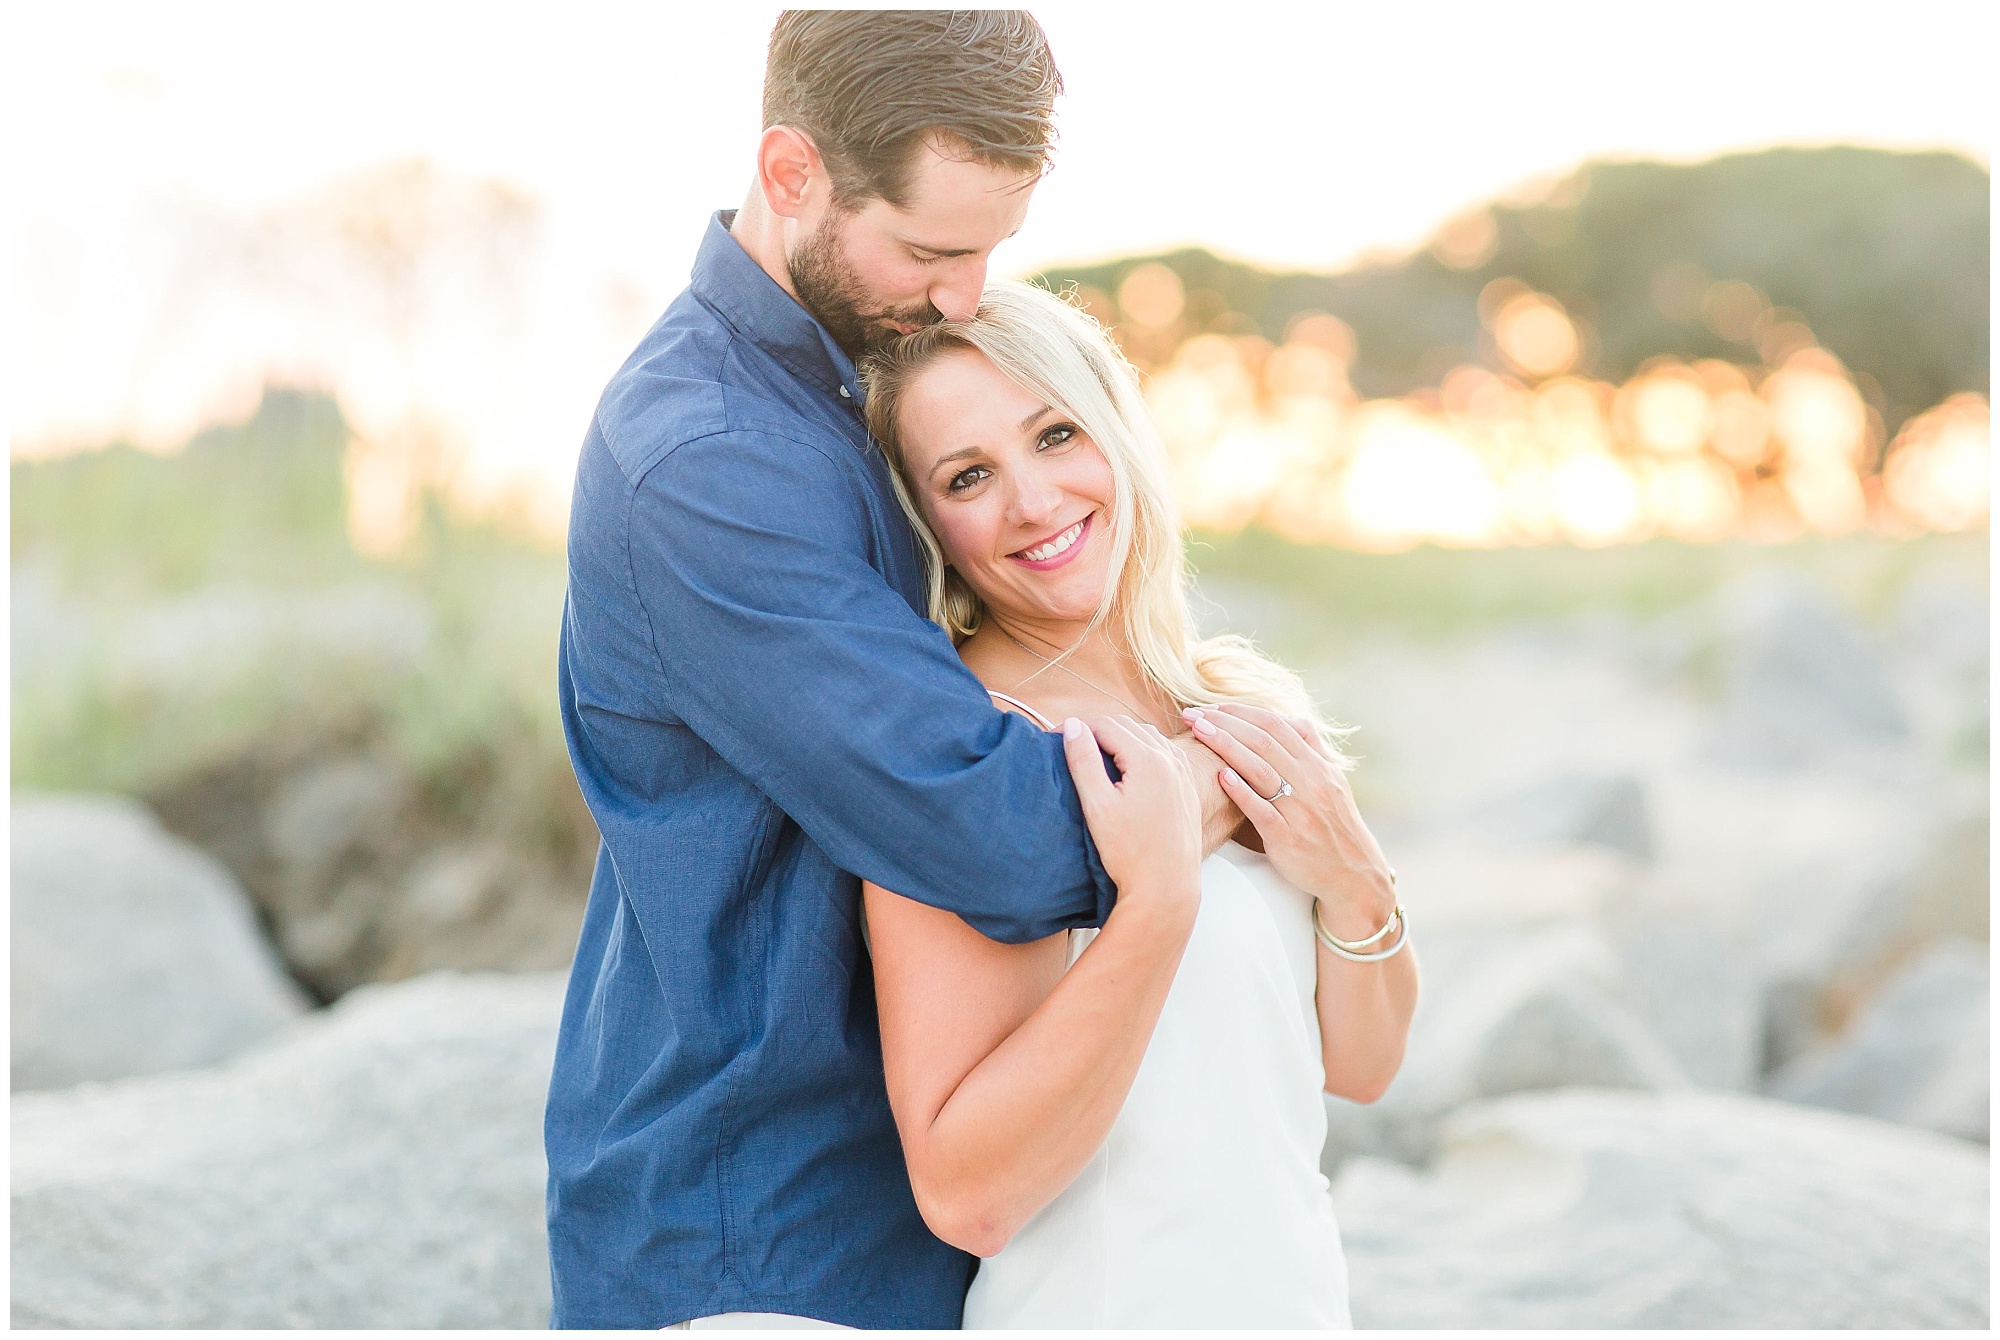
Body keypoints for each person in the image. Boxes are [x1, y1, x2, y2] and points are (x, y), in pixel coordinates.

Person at [545, 12, 1243, 1329]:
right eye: (932, 249)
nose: (968, 294)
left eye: (992, 250)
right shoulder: (704, 462)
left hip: (900, 1223)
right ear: (793, 172)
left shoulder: (849, 394)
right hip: (757, 1244)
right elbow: (993, 828)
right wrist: (1232, 777)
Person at [856, 281, 1419, 1327]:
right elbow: (965, 1191)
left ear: (1115, 427)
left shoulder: (1237, 707)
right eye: (969, 473)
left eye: (1054, 433)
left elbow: (1363, 1063)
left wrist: (1353, 879)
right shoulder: (963, 752)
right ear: (926, 520)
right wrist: (1153, 906)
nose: (1031, 500)